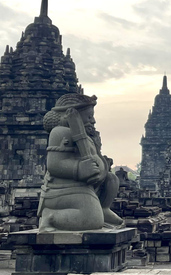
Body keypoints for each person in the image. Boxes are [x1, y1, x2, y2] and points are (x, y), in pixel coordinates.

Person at [37, 93, 123, 232]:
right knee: (91, 220)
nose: (93, 121)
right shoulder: (60, 133)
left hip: (86, 186)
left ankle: (103, 208)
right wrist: (79, 168)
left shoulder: (86, 137)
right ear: (71, 115)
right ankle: (50, 216)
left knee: (111, 179)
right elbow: (54, 165)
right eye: (89, 117)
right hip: (62, 189)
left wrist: (101, 166)